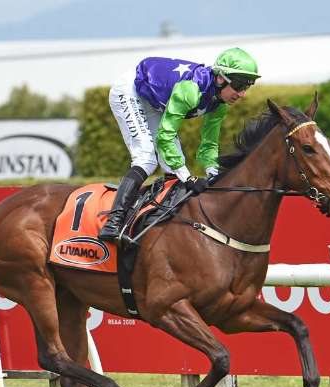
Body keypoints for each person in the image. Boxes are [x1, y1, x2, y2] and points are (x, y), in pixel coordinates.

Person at [98, 47, 261, 243]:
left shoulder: (220, 105)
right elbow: (165, 137)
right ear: (220, 78)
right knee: (146, 158)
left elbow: (209, 145)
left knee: (173, 165)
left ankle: (159, 224)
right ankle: (113, 222)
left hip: (155, 101)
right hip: (131, 91)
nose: (242, 94)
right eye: (239, 85)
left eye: (247, 87)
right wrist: (189, 178)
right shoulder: (190, 91)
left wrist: (213, 173)